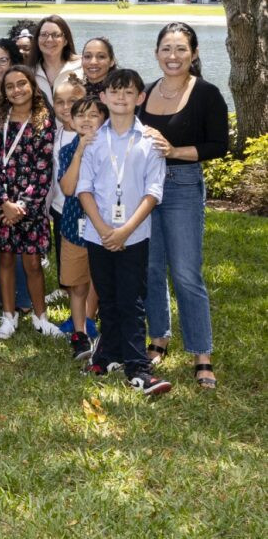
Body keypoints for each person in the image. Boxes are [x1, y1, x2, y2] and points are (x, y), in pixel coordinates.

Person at [139, 22, 228, 389]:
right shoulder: (144, 92)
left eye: (180, 49)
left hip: (183, 186)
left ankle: (201, 354)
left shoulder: (206, 93)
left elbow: (218, 145)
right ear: (157, 53)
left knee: (187, 274)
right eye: (166, 49)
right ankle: (158, 338)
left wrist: (174, 151)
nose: (172, 56)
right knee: (150, 269)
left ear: (193, 54)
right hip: (145, 189)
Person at [77, 70, 171, 396]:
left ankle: (138, 368)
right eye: (114, 92)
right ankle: (108, 353)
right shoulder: (93, 140)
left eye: (128, 93)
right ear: (102, 97)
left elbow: (153, 192)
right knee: (109, 296)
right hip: (98, 234)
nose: (121, 98)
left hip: (134, 235)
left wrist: (125, 230)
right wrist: (104, 230)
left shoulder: (150, 141)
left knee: (131, 300)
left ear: (139, 98)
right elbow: (84, 189)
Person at [0, 66, 64, 341]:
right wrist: (4, 202)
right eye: (10, 86)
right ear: (4, 92)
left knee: (33, 263)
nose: (16, 90)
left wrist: (21, 206)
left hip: (30, 205)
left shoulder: (44, 121)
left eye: (21, 83)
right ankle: (8, 315)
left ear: (32, 87)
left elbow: (43, 169)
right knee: (4, 259)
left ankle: (41, 318)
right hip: (0, 203)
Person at [57, 94, 105, 360]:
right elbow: (67, 188)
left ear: (104, 119)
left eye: (93, 114)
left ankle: (92, 320)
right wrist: (79, 152)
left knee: (100, 280)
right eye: (80, 115)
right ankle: (79, 333)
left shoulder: (112, 149)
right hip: (74, 228)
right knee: (77, 285)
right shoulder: (67, 151)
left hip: (105, 229)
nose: (86, 120)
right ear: (72, 122)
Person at [34, 15, 83, 102]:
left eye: (56, 35)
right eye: (44, 34)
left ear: (65, 41)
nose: (49, 39)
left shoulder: (81, 66)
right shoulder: (30, 71)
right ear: (37, 40)